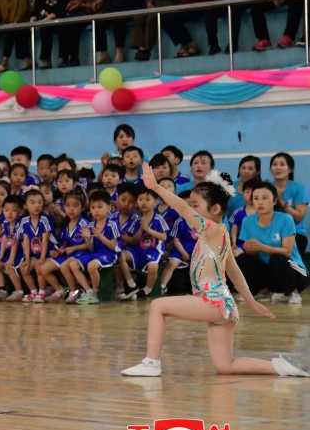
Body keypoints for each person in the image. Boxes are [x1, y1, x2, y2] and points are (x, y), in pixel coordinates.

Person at [121, 164, 309, 378]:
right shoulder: (221, 234)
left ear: (215, 209)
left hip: (212, 301)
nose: (192, 209)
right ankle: (281, 367)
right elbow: (235, 272)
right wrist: (250, 301)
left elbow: (182, 209)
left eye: (196, 205)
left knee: (157, 305)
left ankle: (151, 363)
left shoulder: (210, 229)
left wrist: (156, 187)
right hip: (224, 306)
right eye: (192, 205)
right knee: (225, 365)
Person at [238, 180, 309, 304]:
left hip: (295, 272)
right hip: (270, 272)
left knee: (277, 258)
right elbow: (254, 256)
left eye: (265, 198)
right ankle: (263, 291)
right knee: (243, 258)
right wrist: (251, 250)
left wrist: (261, 247)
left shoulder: (286, 219)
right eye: (256, 198)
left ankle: (292, 292)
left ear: (275, 201)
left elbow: (287, 252)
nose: (260, 202)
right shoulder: (247, 221)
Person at [62, 0, 104, 67]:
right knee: (65, 24)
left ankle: (74, 59)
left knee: (73, 24)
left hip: (89, 13)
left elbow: (98, 4)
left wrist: (83, 4)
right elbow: (73, 3)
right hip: (76, 14)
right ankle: (66, 58)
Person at [30, 0, 70, 69]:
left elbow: (60, 8)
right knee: (45, 30)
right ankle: (45, 60)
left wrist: (44, 20)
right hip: (45, 22)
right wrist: (33, 19)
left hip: (59, 19)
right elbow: (36, 10)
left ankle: (64, 58)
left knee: (62, 28)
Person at [269, 152, 309, 253]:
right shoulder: (266, 188)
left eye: (282, 164)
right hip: (271, 233)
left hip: (295, 234)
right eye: (274, 164)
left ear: (290, 169)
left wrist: (282, 201)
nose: (278, 168)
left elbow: (299, 217)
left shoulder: (299, 189)